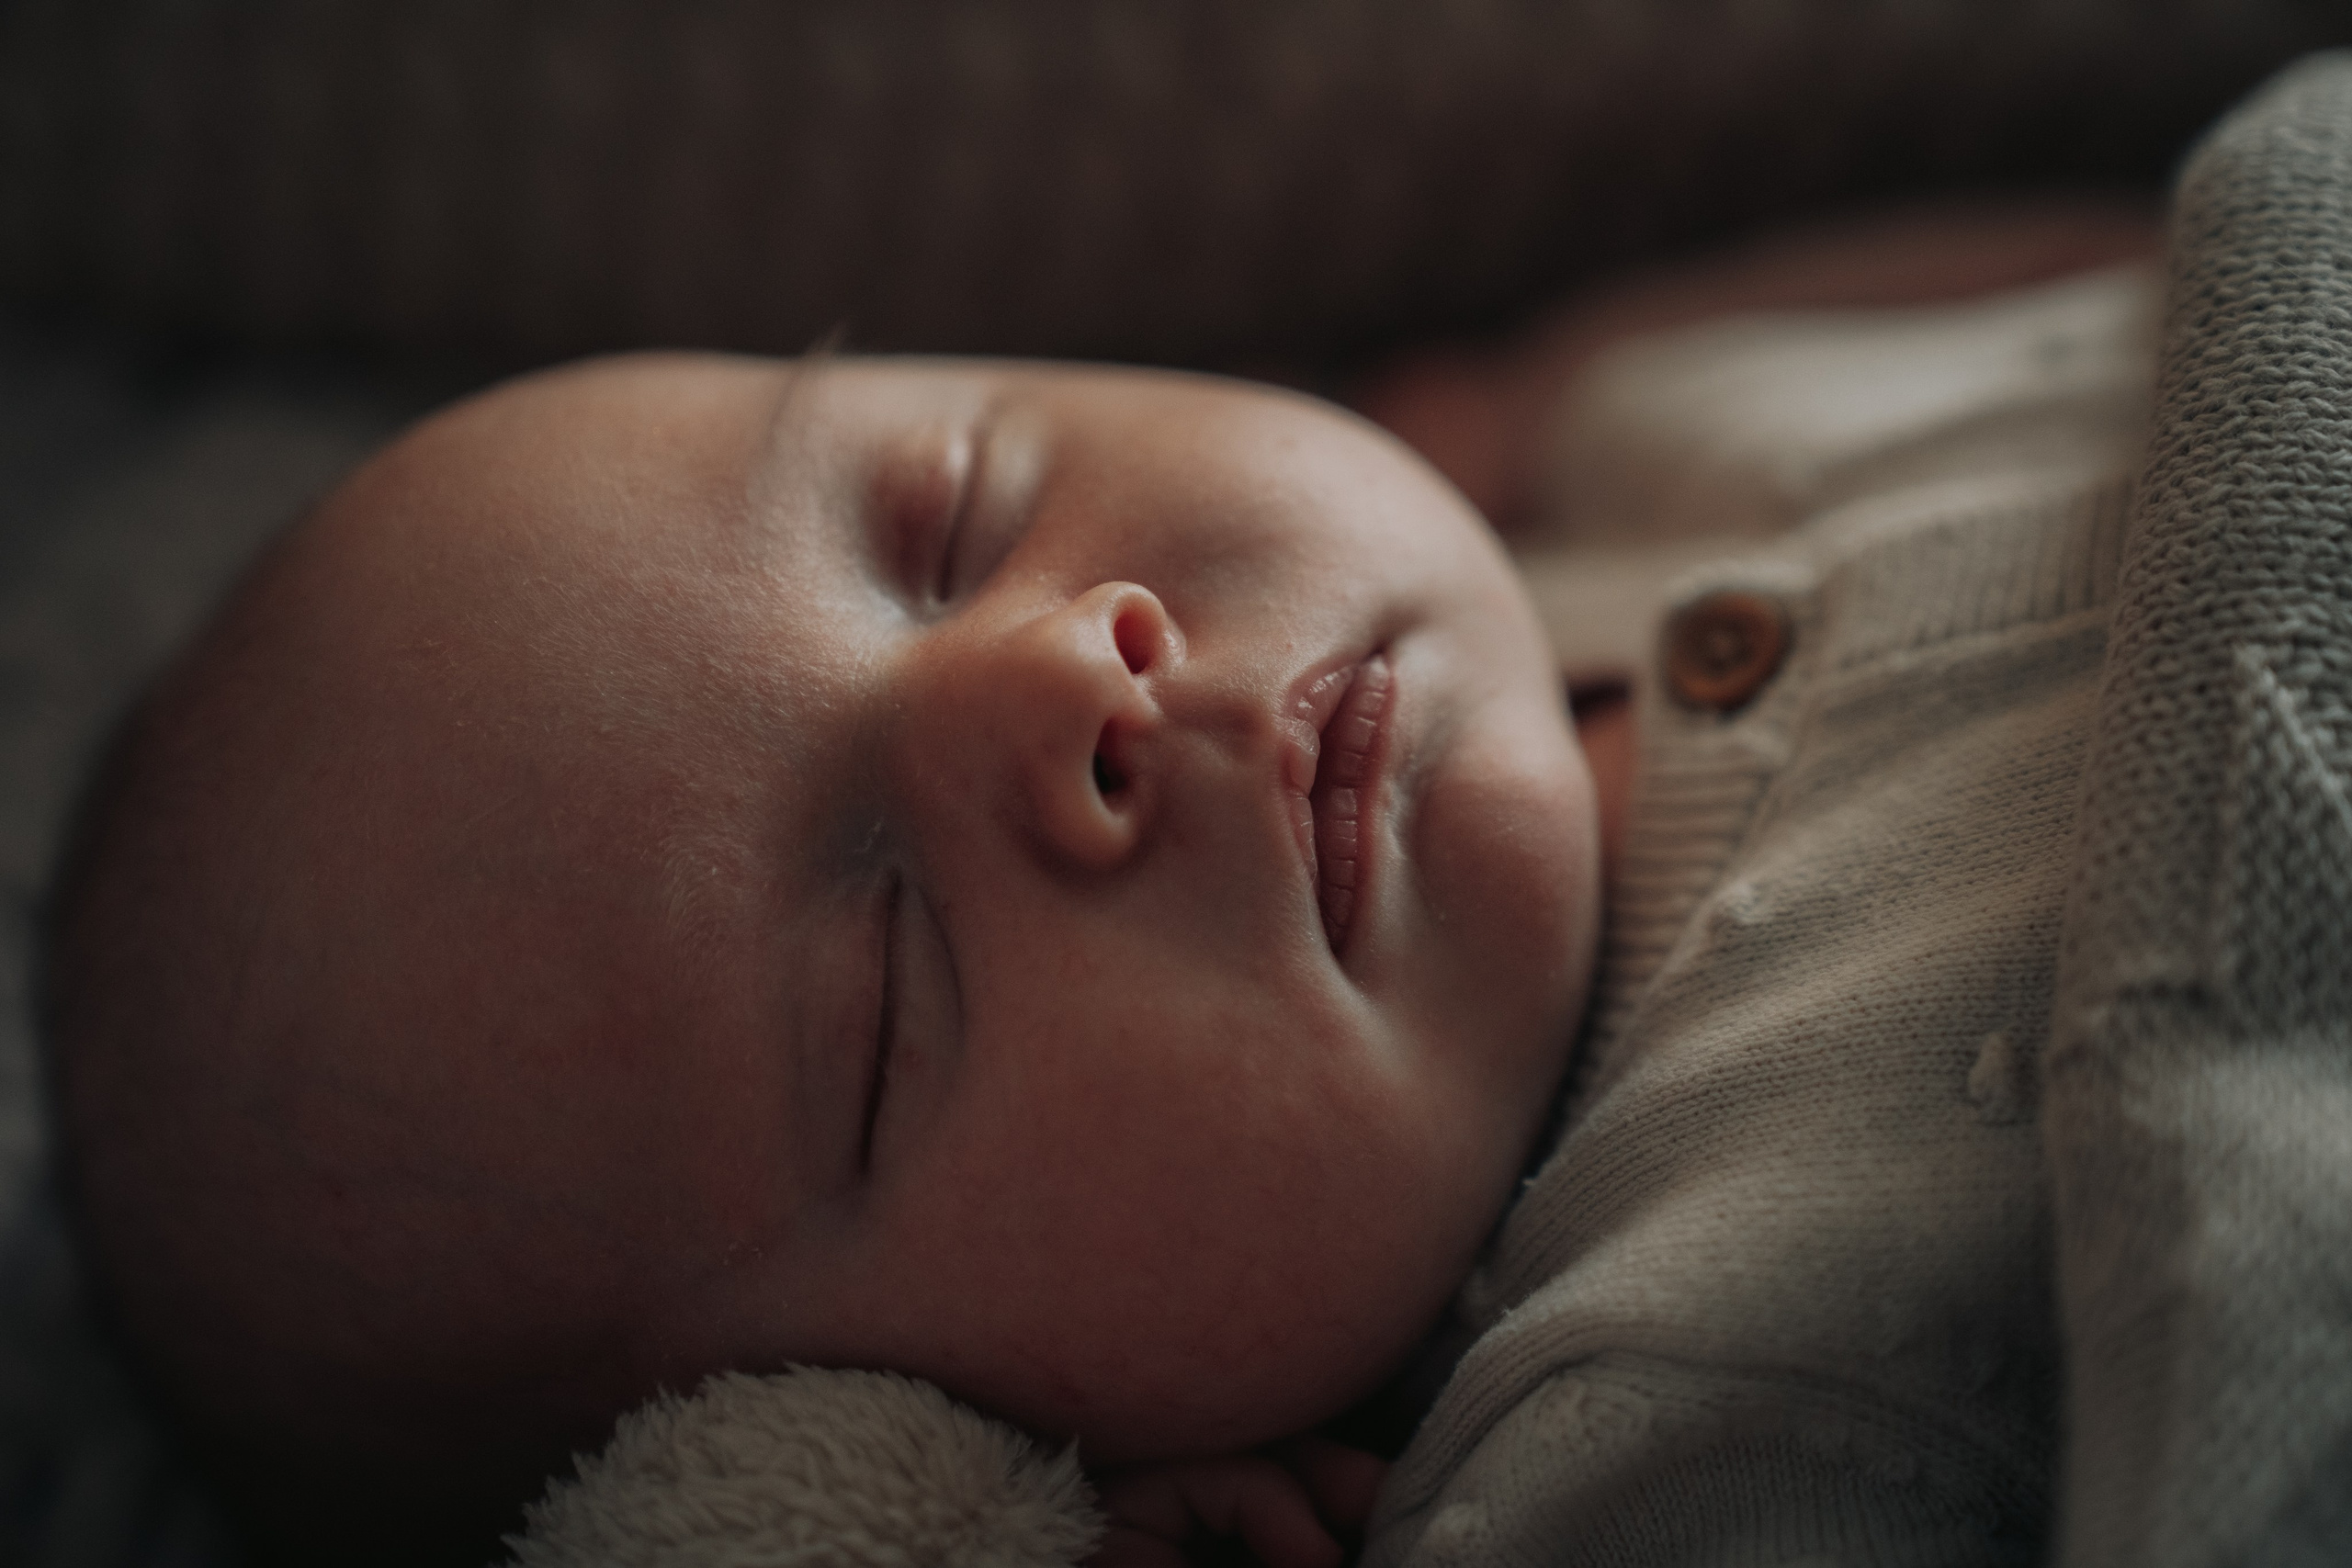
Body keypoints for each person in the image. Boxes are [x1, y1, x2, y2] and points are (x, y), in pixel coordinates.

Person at [34, 188, 2253, 1568]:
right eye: (887, 991)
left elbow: (2198, 235)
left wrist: (1497, 410)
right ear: (919, 1431)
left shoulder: (1640, 423)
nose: (1053, 679)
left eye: (953, 511)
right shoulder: (1636, 1435)